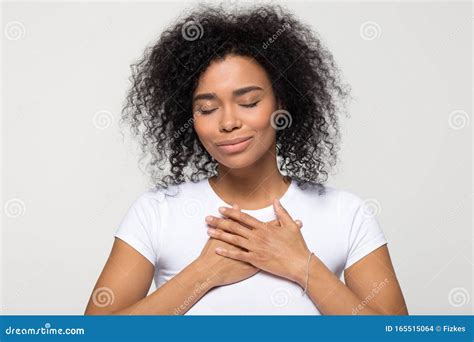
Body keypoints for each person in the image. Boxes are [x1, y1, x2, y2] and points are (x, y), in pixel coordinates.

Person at [85, 3, 408, 315]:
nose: (228, 122)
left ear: (282, 103)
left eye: (249, 102)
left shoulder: (345, 213)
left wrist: (301, 265)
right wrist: (204, 274)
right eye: (207, 109)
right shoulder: (156, 212)